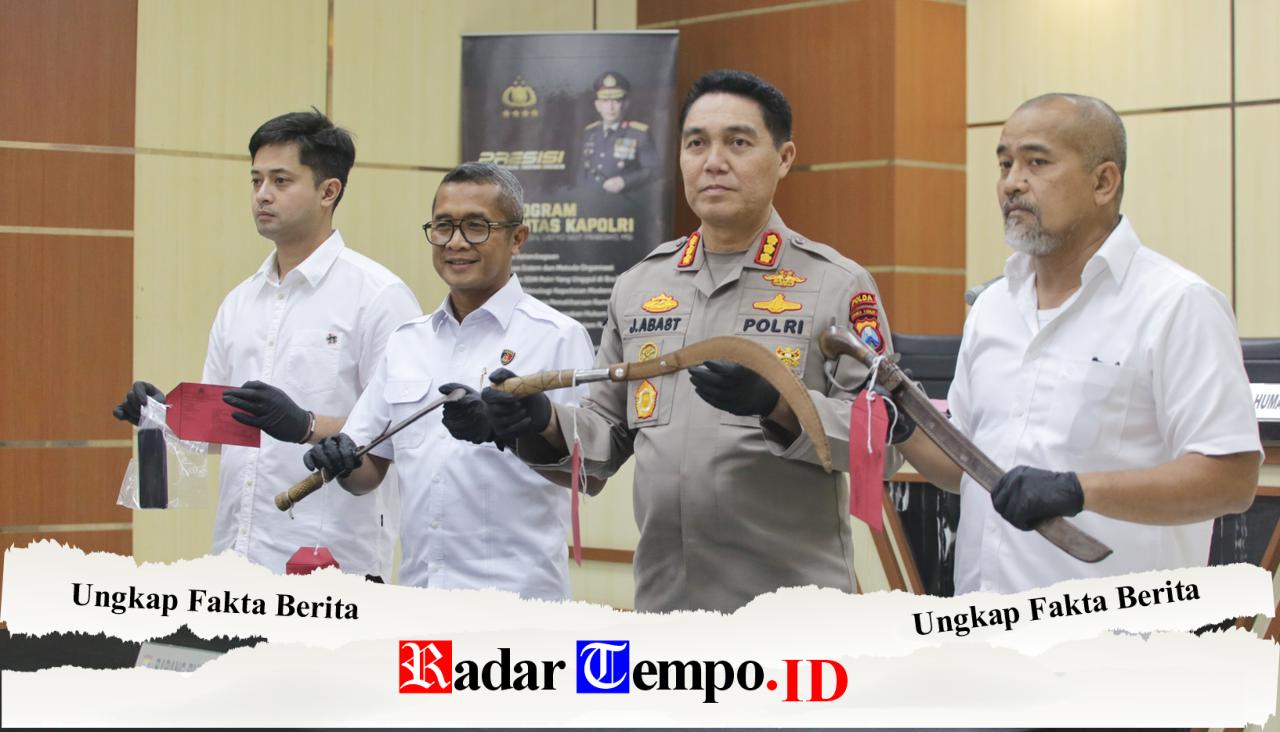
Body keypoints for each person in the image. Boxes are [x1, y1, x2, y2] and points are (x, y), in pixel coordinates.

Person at [478, 69, 894, 613]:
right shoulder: (639, 286)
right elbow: (607, 432)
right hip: (666, 608)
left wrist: (780, 405)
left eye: (738, 143)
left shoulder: (837, 284)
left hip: (791, 615)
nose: (713, 161)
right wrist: (543, 422)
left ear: (784, 157)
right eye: (696, 143)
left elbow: (883, 444)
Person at [890, 93, 1261, 594]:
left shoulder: (1178, 304)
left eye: (1036, 163)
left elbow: (1231, 480)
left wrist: (1079, 490)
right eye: (1004, 164)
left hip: (1115, 635)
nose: (1012, 183)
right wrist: (899, 425)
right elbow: (967, 472)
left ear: (1103, 182)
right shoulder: (993, 307)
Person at [113, 110, 421, 579]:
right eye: (256, 180)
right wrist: (164, 414)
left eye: (281, 180)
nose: (262, 194)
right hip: (237, 556)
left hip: (333, 562)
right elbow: (221, 427)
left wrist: (305, 424)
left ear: (328, 191)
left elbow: (401, 431)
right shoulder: (240, 301)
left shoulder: (378, 296)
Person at [301, 163, 594, 600]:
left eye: (476, 226)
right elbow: (367, 472)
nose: (456, 242)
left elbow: (587, 474)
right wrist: (341, 460)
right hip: (420, 596)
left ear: (518, 238)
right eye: (443, 226)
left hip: (518, 603)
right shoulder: (407, 341)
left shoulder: (557, 337)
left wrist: (514, 430)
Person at [580, 71, 656, 194]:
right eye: (605, 101)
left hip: (622, 201)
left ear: (625, 104)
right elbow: (582, 172)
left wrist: (625, 181)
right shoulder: (590, 132)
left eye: (616, 101)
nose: (610, 107)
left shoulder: (639, 133)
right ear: (597, 105)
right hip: (591, 200)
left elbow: (653, 170)